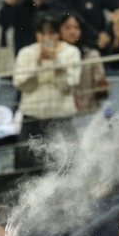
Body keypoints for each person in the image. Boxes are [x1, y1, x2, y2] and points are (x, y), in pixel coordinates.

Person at [13, 11, 81, 172]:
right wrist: (37, 63)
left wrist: (57, 62)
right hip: (32, 118)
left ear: (58, 34)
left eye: (51, 33)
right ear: (36, 35)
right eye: (42, 33)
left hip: (61, 118)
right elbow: (20, 83)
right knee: (28, 166)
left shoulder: (71, 53)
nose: (46, 38)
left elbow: (70, 85)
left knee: (66, 166)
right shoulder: (26, 53)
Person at [59, 12, 109, 116]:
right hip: (62, 114)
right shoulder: (55, 56)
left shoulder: (92, 55)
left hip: (89, 111)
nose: (73, 32)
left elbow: (102, 90)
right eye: (68, 27)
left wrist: (103, 88)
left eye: (76, 28)